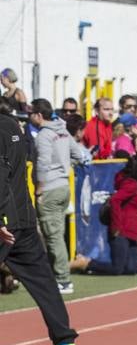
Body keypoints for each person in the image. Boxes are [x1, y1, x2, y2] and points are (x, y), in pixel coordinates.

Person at [0, 111, 80, 345]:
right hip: (23, 218)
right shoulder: (13, 125)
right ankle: (65, 343)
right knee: (44, 282)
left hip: (7, 222)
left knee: (43, 281)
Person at [30, 98, 87, 294]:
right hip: (63, 187)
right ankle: (60, 277)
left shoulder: (44, 135)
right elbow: (79, 155)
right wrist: (64, 165)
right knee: (57, 236)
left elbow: (43, 164)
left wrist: (39, 188)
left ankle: (63, 280)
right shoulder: (62, 130)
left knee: (53, 237)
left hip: (50, 190)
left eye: (31, 113)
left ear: (38, 115)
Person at [71, 156, 137, 275]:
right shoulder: (131, 184)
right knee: (117, 268)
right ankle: (85, 263)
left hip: (132, 231)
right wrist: (116, 226)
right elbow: (114, 201)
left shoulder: (134, 184)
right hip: (122, 229)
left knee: (132, 269)